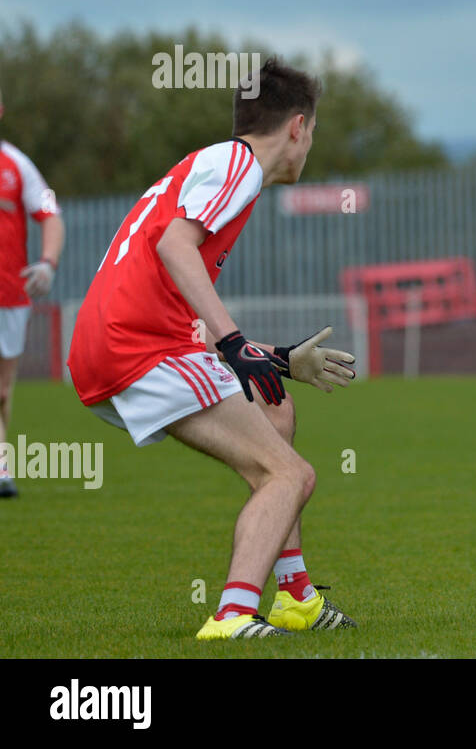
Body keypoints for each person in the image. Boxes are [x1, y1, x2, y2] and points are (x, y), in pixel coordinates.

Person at [67, 58, 359, 637]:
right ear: (297, 126)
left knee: (276, 407)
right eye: (314, 131)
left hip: (116, 343)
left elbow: (188, 310)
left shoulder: (212, 167)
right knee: (289, 477)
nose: (309, 146)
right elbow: (176, 249)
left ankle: (296, 596)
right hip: (137, 349)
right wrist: (234, 342)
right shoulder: (240, 166)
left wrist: (277, 358)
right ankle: (233, 614)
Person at [0, 89, 66, 499]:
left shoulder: (16, 164)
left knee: (2, 390)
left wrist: (47, 262)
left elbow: (51, 213)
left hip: (9, 294)